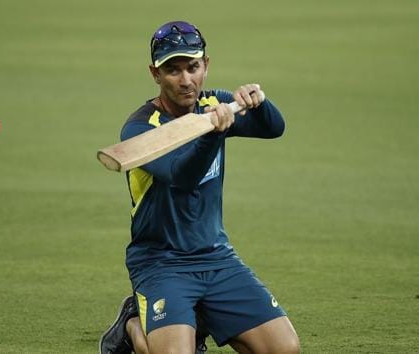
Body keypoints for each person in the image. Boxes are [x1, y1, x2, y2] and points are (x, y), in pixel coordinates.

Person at [100, 21, 300, 354]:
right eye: (173, 70)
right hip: (162, 264)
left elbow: (273, 128)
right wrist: (213, 135)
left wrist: (259, 101)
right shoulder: (139, 130)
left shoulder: (214, 104)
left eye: (193, 67)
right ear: (156, 73)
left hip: (216, 257)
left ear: (206, 65)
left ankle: (198, 317)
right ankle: (133, 327)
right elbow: (182, 177)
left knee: (285, 349)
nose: (185, 80)